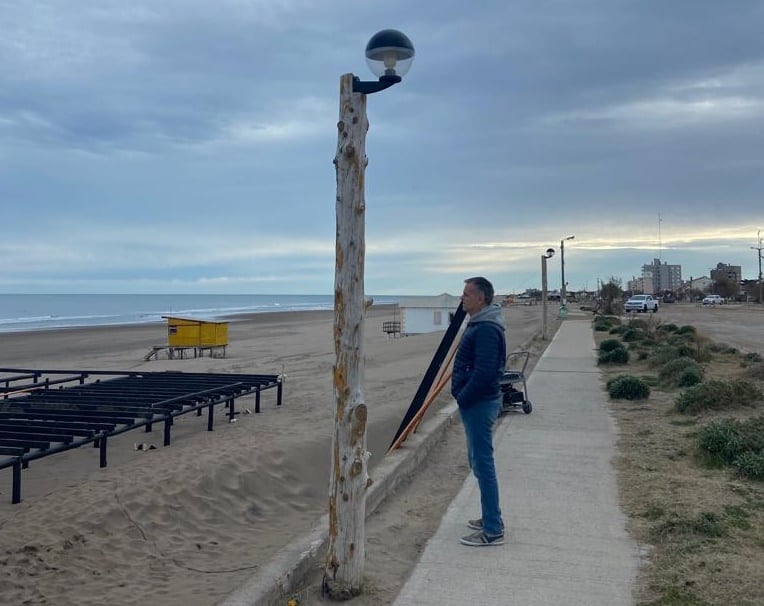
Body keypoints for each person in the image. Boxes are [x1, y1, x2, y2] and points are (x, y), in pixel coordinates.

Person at [451, 276, 507, 546]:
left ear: (481, 298)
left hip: (479, 402)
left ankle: (493, 529)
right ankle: (490, 517)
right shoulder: (480, 324)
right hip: (477, 401)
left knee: (483, 464)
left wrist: (463, 396)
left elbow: (485, 371)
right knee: (478, 462)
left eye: (466, 294)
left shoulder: (485, 328)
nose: (462, 298)